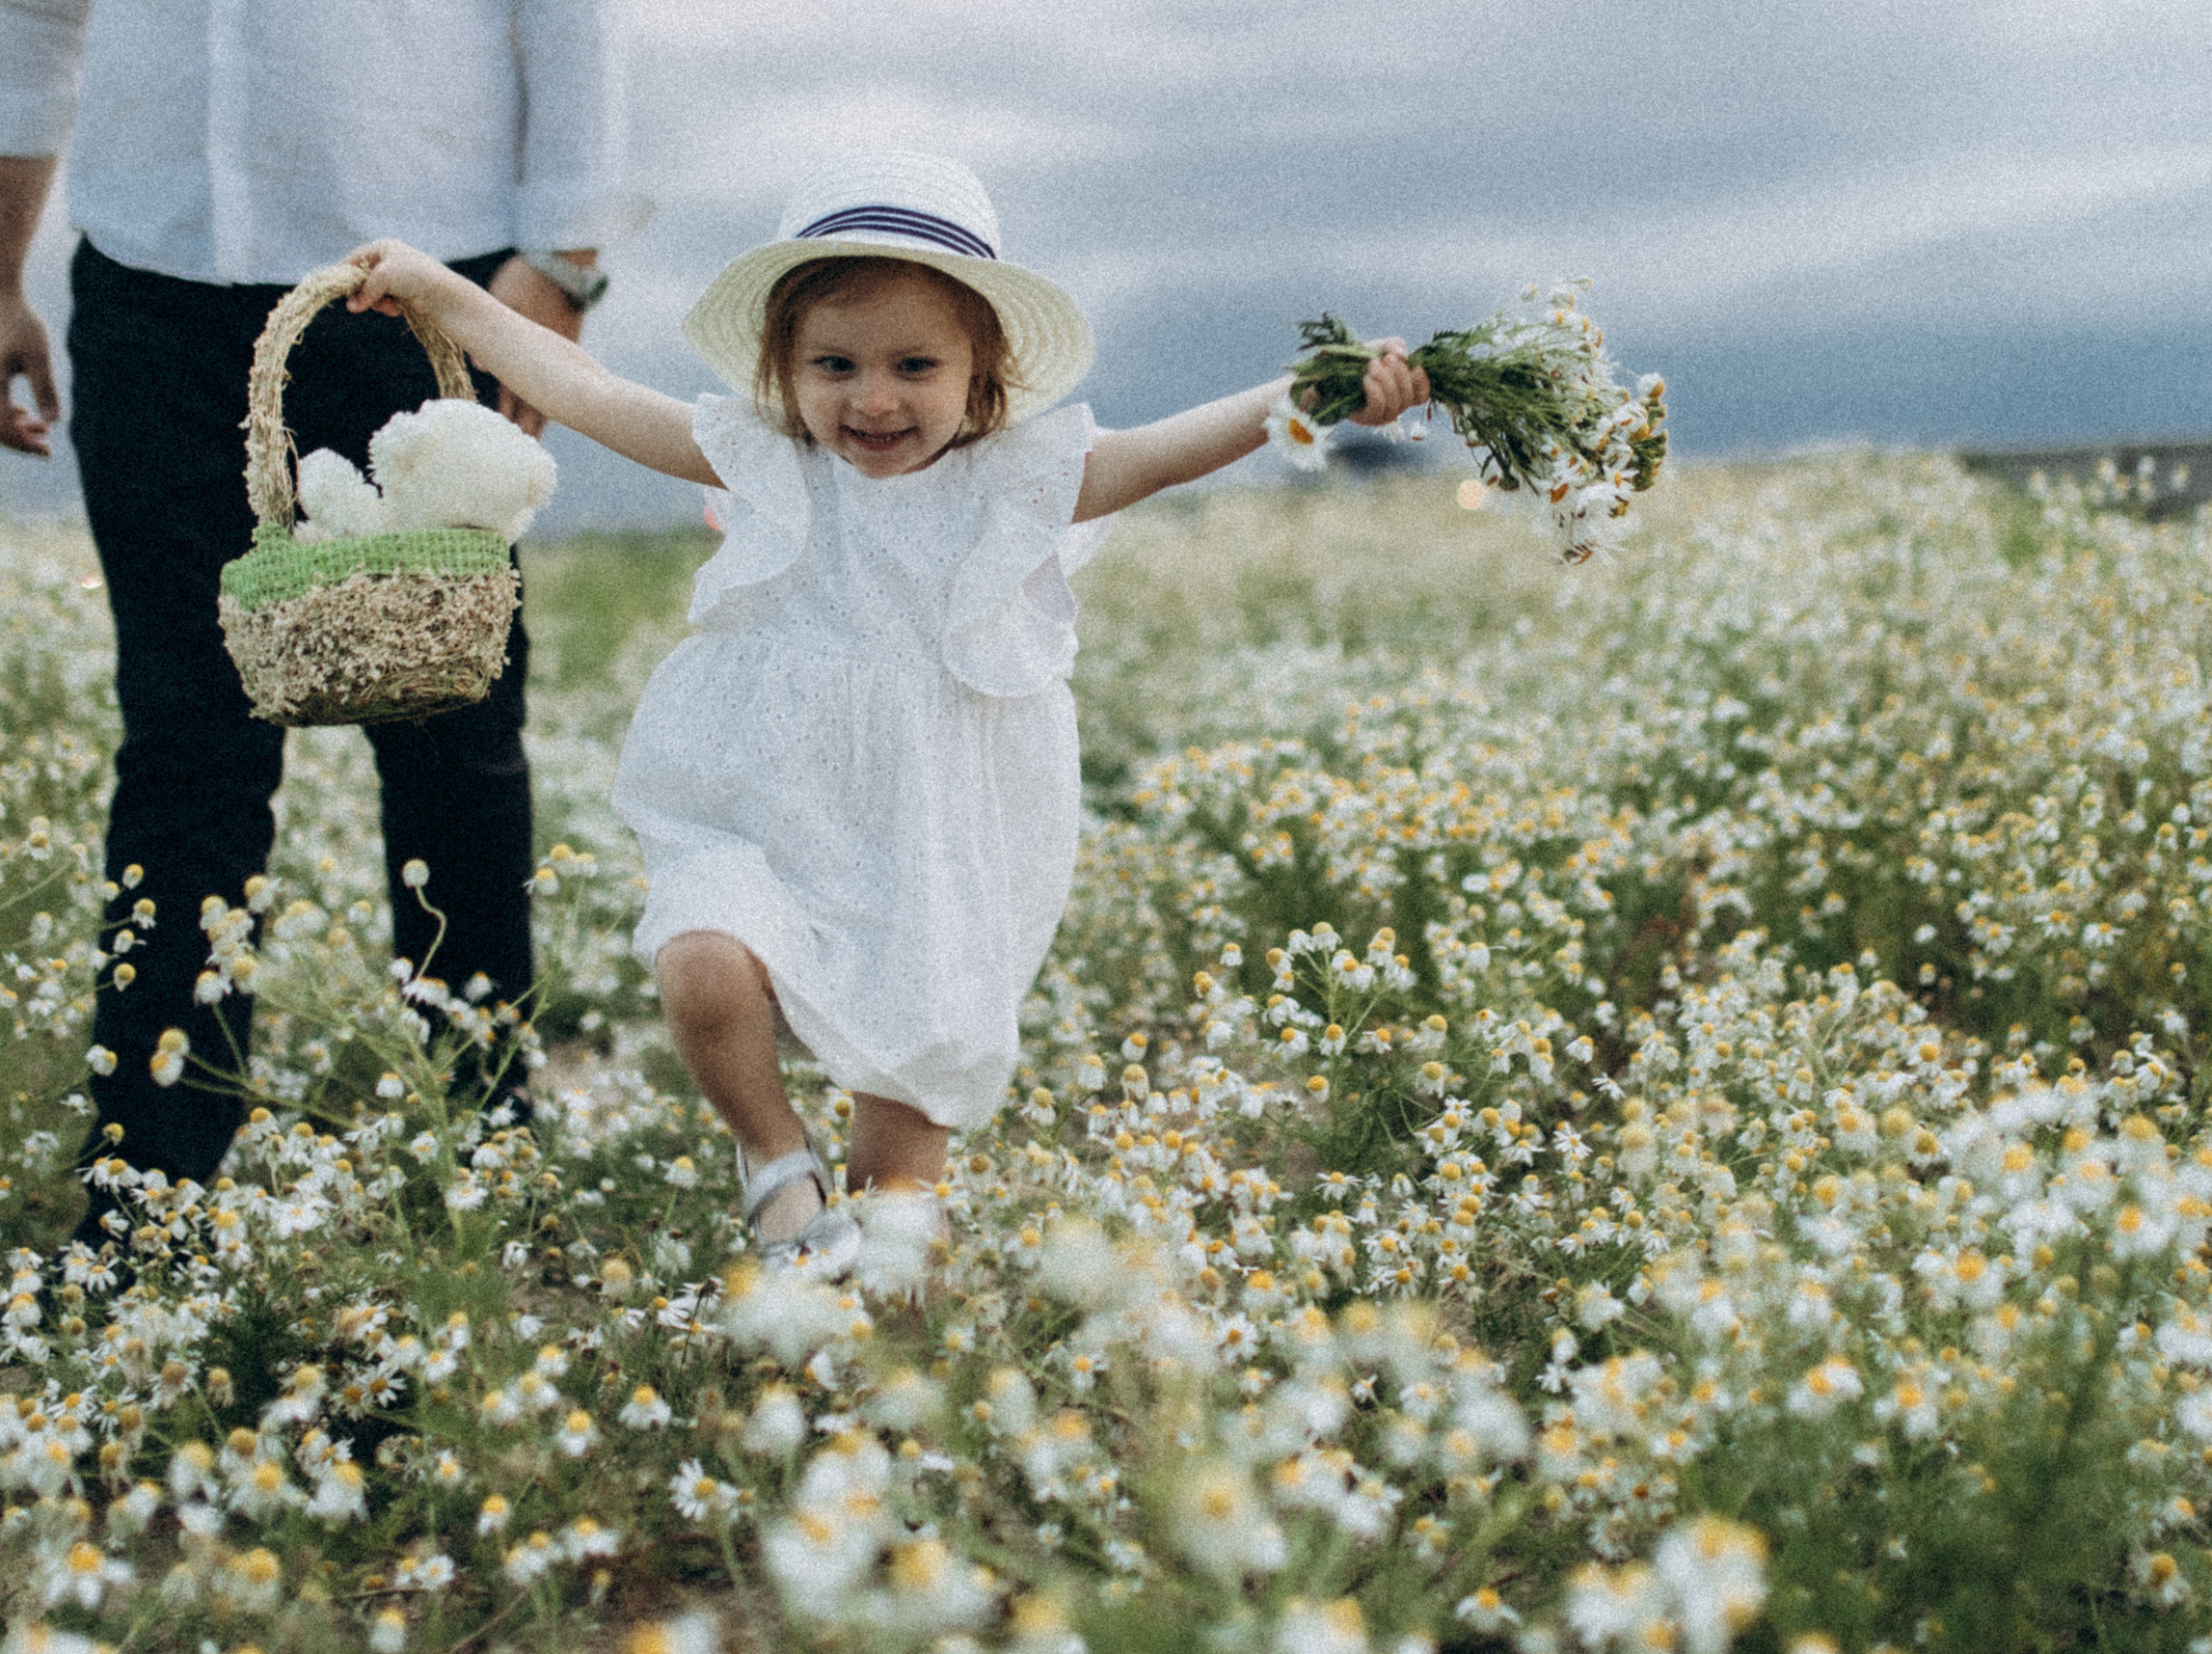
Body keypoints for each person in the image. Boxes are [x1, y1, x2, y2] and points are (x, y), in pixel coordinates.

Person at [0, 0, 643, 1183]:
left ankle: (478, 1151)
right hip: (153, 300)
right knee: (187, 745)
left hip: (430, 305)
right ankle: (158, 1194)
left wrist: (557, 275)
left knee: (453, 744)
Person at [343, 151, 1428, 1268]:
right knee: (700, 959)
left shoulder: (1017, 482)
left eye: (915, 364)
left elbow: (1170, 449)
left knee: (899, 1197)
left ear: (982, 369)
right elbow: (586, 390)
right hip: (765, 809)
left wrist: (1313, 394)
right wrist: (436, 289)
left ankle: (880, 1377)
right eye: (834, 364)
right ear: (782, 365)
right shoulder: (767, 464)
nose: (871, 398)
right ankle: (772, 1163)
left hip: (936, 848)